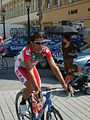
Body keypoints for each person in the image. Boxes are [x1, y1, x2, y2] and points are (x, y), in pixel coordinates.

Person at [15, 32, 69, 115]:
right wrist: (37, 89)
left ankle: (36, 111)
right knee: (32, 87)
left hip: (31, 66)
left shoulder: (45, 50)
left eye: (43, 43)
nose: (41, 45)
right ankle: (22, 103)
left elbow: (54, 67)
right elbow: (29, 71)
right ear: (32, 43)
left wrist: (64, 84)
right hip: (21, 68)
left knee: (39, 92)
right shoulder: (27, 51)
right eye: (37, 43)